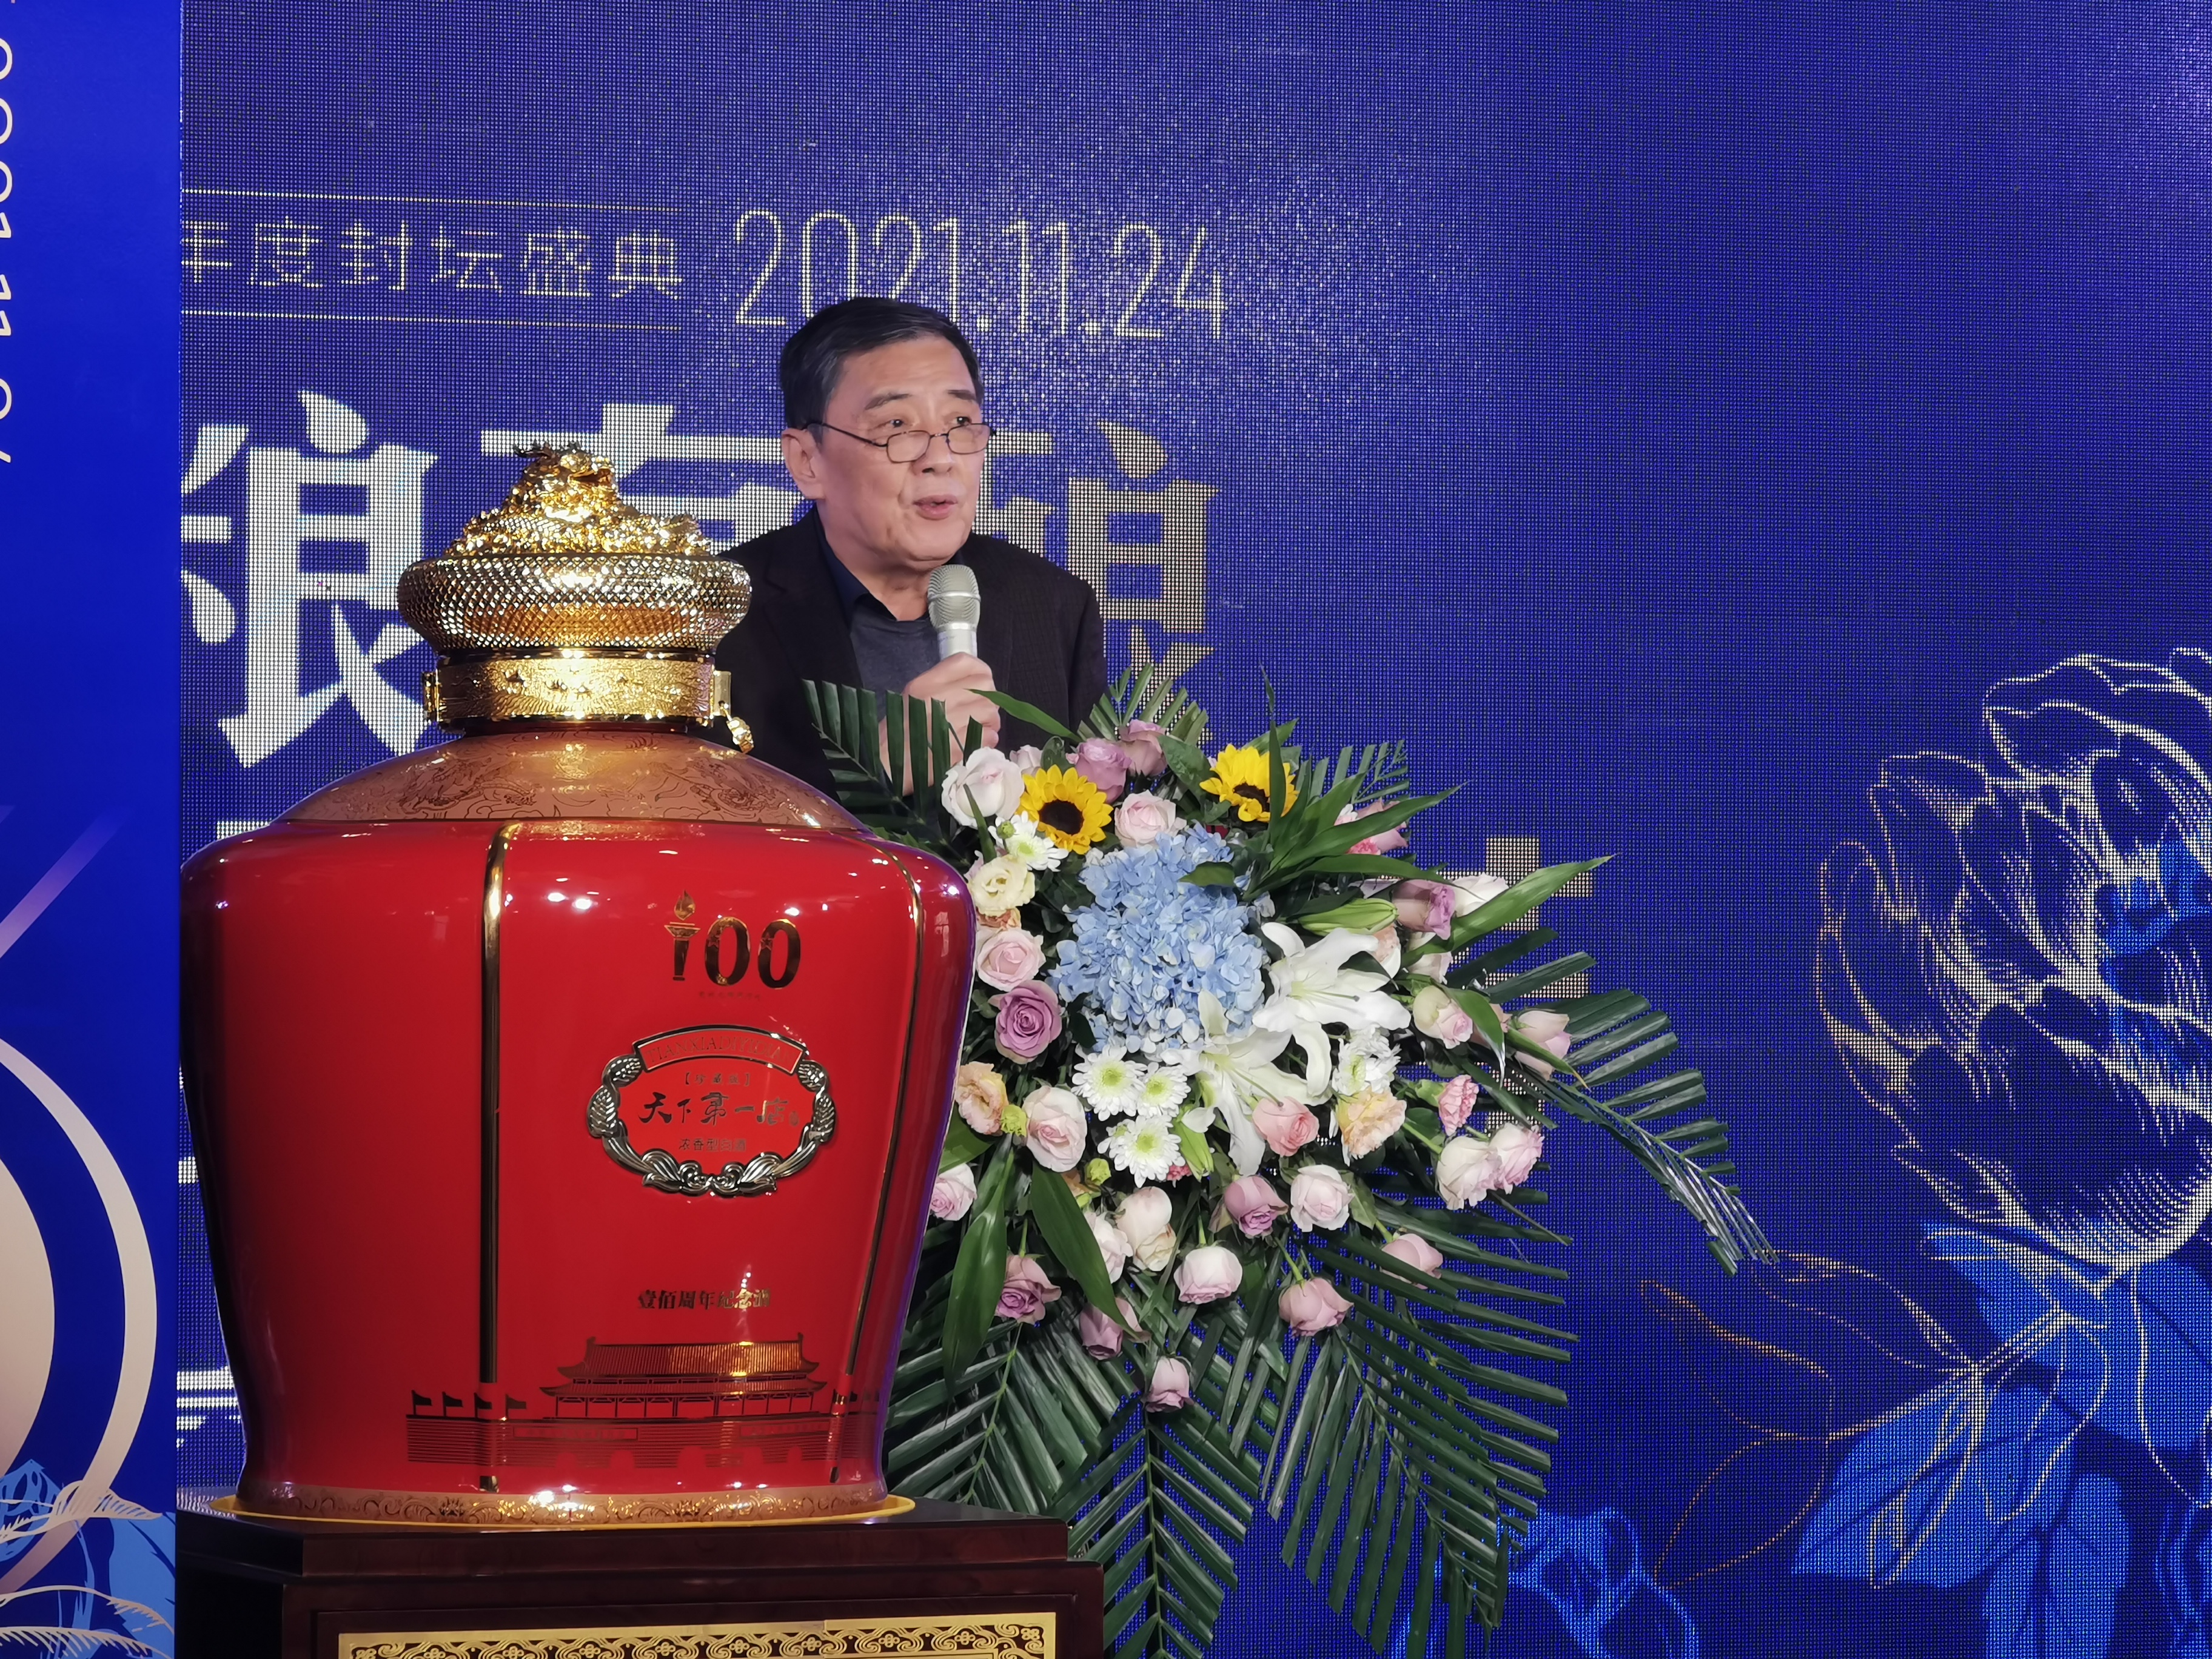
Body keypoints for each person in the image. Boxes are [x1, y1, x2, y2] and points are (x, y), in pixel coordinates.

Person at [716, 298, 1107, 795]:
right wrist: (871, 777)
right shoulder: (714, 620)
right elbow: (679, 822)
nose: (940, 458)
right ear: (808, 461)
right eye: (896, 426)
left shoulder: (1053, 606)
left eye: (961, 423)